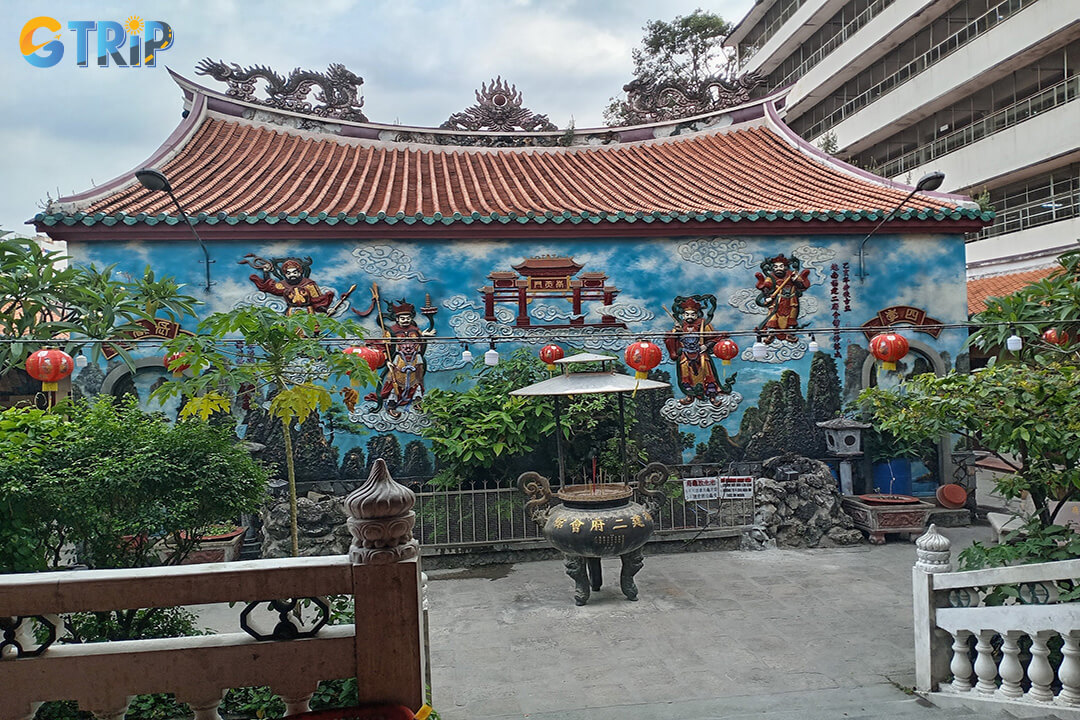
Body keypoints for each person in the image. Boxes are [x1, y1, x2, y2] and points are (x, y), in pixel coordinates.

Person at [366, 299, 435, 417]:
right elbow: (386, 347)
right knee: (394, 381)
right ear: (397, 319)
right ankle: (391, 405)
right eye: (402, 318)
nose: (405, 320)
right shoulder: (392, 331)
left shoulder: (415, 330)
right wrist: (387, 361)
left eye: (408, 318)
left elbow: (420, 342)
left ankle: (417, 401)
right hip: (399, 359)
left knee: (417, 381)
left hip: (415, 358)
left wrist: (423, 336)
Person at [663, 295, 725, 406]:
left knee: (708, 373)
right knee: (685, 375)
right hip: (685, 354)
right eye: (687, 314)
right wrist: (676, 332)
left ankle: (712, 395)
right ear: (683, 315)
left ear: (696, 314)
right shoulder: (680, 325)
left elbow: (715, 337)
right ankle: (689, 395)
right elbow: (670, 339)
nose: (690, 316)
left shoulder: (703, 324)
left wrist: (706, 346)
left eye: (692, 314)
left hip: (700, 353)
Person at [247, 257, 334, 314]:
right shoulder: (283, 284)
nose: (292, 275)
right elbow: (271, 288)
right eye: (288, 273)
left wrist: (327, 310)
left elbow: (317, 302)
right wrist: (266, 272)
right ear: (285, 275)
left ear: (300, 272)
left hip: (308, 313)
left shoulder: (309, 284)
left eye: (294, 272)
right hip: (291, 313)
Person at [754, 254, 811, 342]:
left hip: (791, 301)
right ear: (773, 268)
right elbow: (767, 287)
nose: (778, 268)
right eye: (776, 267)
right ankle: (771, 332)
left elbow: (801, 285)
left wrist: (796, 280)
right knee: (773, 316)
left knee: (791, 316)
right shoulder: (771, 277)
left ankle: (789, 333)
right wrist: (767, 295)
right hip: (777, 301)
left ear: (785, 267)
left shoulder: (791, 275)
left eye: (781, 266)